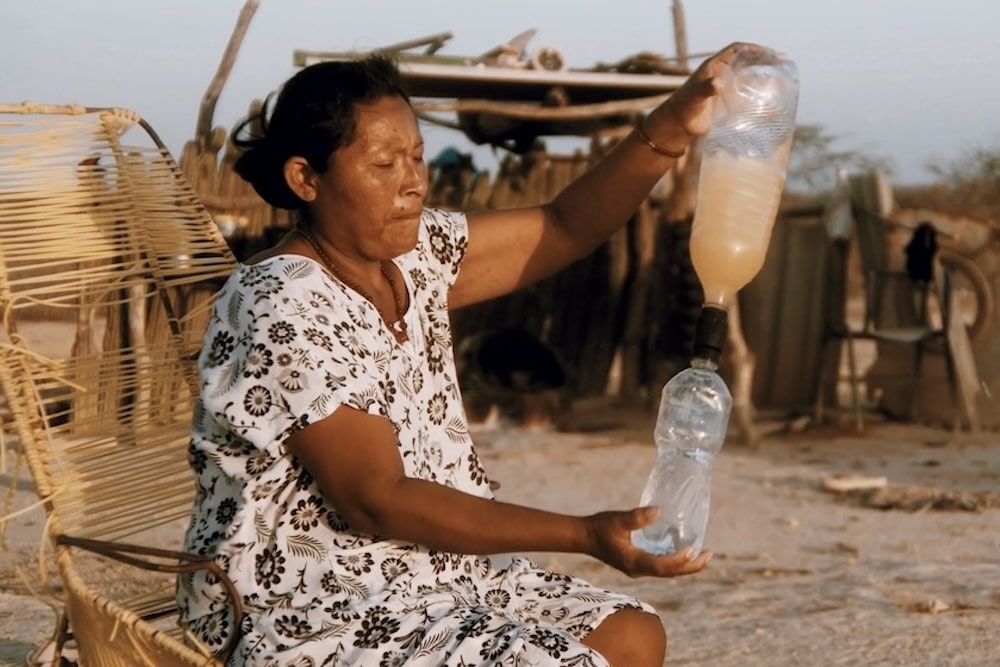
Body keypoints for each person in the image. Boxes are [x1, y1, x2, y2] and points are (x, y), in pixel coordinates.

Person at [177, 41, 759, 666]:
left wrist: (670, 127)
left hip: (428, 570)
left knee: (630, 634)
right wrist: (584, 533)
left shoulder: (414, 255)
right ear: (305, 179)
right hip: (306, 602)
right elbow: (376, 499)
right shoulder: (281, 302)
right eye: (384, 164)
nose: (414, 181)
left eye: (417, 157)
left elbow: (565, 226)